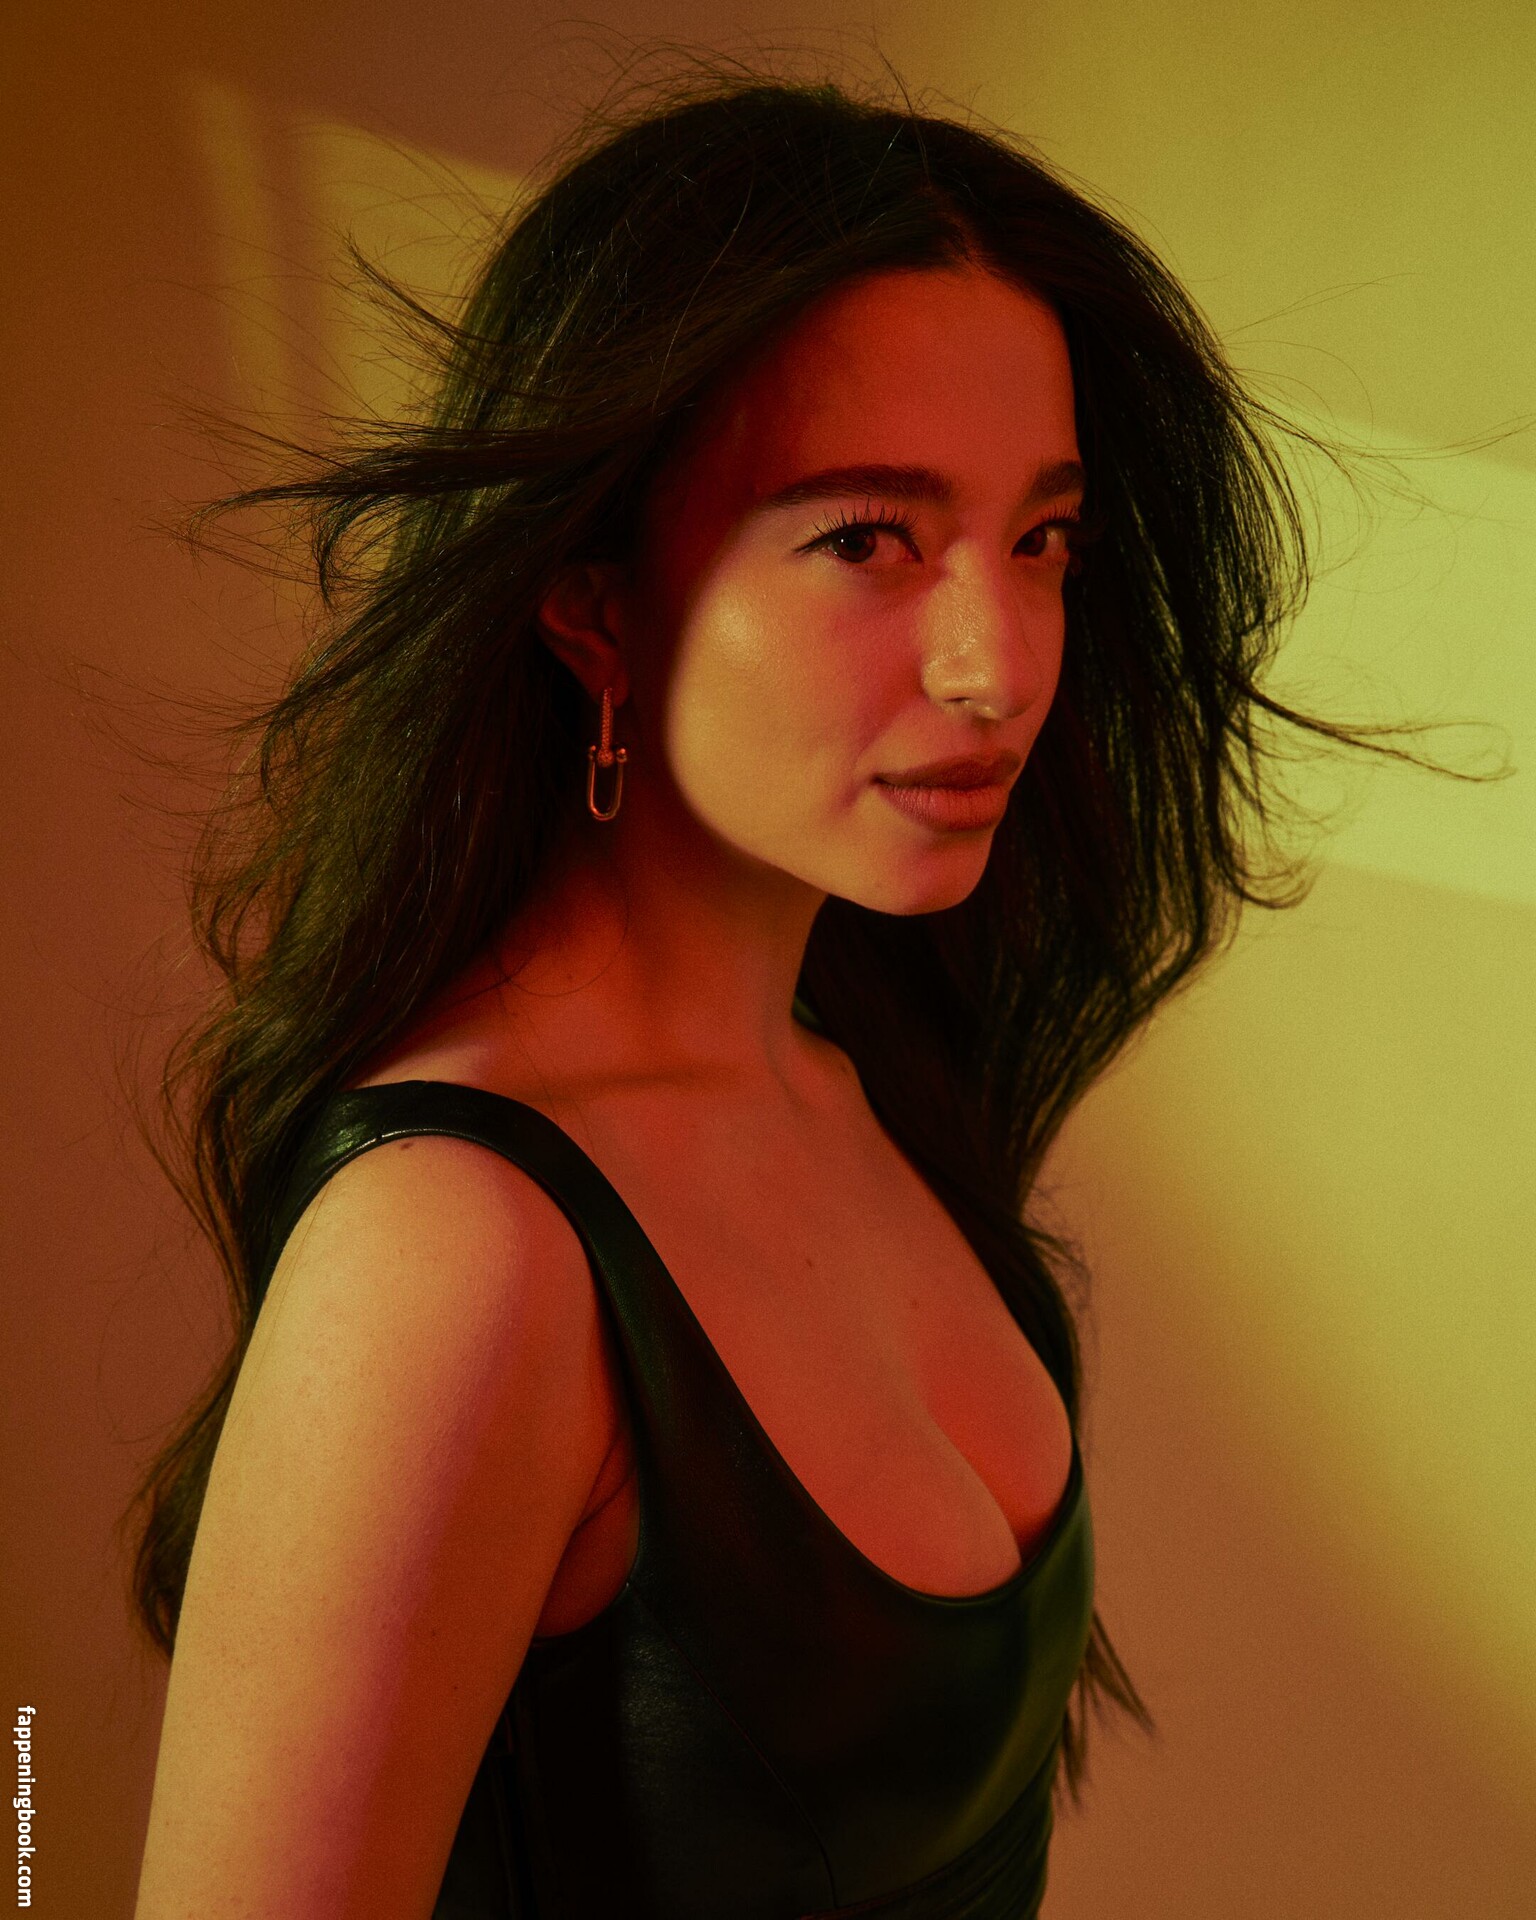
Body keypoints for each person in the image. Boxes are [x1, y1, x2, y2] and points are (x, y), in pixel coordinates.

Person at [127, 68, 1373, 1920]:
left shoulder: (858, 1071)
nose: (997, 665)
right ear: (596, 603)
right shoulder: (456, 1249)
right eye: (869, 539)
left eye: (1042, 539)